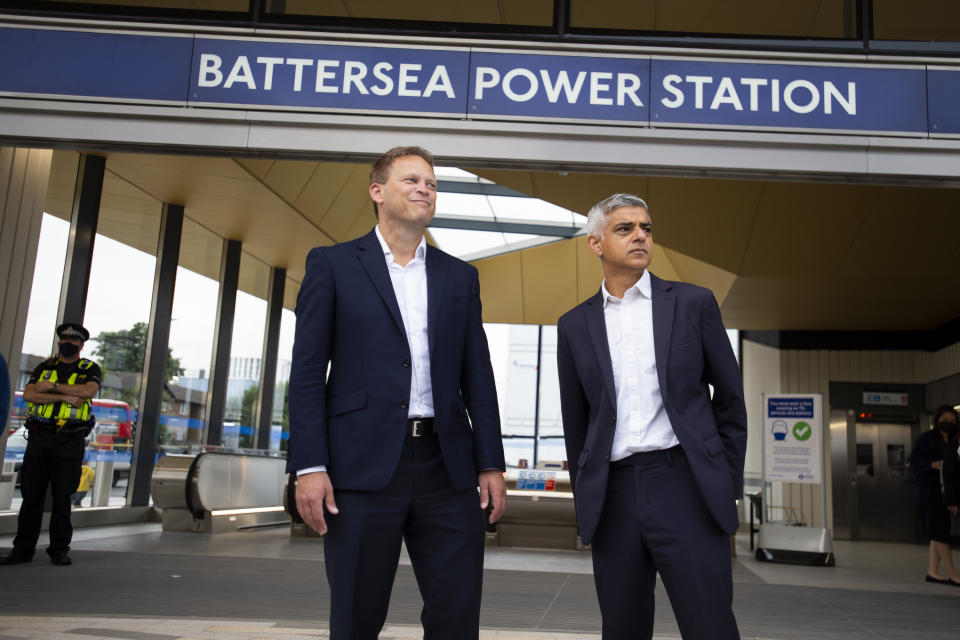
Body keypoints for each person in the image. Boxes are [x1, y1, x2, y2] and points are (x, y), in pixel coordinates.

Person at [288, 146, 506, 640]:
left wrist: (491, 462)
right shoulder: (332, 265)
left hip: (446, 468)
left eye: (430, 184)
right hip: (359, 469)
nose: (424, 189)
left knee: (457, 615)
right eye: (411, 180)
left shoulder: (460, 276)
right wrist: (309, 466)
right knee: (356, 616)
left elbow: (478, 375)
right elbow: (306, 375)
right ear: (377, 191)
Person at [557, 193, 747, 640]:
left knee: (710, 625)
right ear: (596, 244)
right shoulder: (574, 324)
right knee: (622, 628)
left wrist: (723, 478)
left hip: (686, 485)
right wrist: (588, 491)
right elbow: (575, 420)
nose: (640, 235)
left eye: (646, 227)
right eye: (625, 228)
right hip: (614, 494)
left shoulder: (692, 303)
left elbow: (731, 399)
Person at [1, 322, 100, 567]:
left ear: (80, 345)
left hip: (69, 441)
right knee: (31, 497)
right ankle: (22, 549)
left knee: (62, 497)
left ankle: (59, 549)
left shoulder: (89, 368)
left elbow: (88, 391)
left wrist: (53, 387)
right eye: (63, 340)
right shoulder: (45, 367)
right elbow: (30, 395)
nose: (67, 344)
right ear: (59, 343)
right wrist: (66, 396)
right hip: (40, 438)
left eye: (73, 342)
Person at [910, 405, 960, 585]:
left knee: (937, 533)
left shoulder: (955, 440)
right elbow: (914, 461)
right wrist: (932, 464)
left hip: (947, 491)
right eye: (945, 420)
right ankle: (953, 573)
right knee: (940, 533)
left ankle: (933, 571)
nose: (949, 424)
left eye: (952, 421)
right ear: (937, 420)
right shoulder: (926, 438)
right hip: (930, 491)